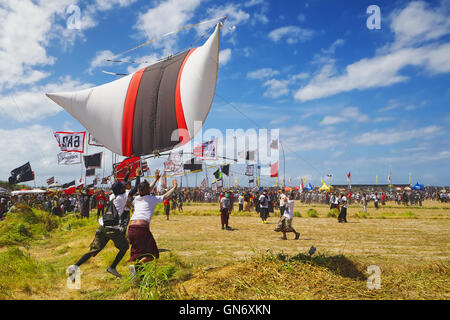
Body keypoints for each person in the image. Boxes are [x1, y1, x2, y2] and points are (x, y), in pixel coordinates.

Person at [67, 167, 137, 279]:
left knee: (93, 251)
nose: (125, 186)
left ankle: (75, 267)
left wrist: (128, 173)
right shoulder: (123, 196)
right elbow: (135, 189)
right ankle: (112, 267)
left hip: (102, 226)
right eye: (123, 186)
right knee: (124, 247)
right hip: (112, 228)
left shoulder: (113, 196)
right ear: (121, 189)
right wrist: (137, 176)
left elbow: (122, 183)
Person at [127, 175, 177, 270]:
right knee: (152, 254)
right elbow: (165, 196)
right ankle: (136, 268)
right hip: (141, 229)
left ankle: (139, 275)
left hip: (131, 229)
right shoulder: (152, 198)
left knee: (141, 254)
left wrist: (155, 180)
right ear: (147, 191)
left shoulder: (136, 199)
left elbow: (143, 191)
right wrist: (174, 188)